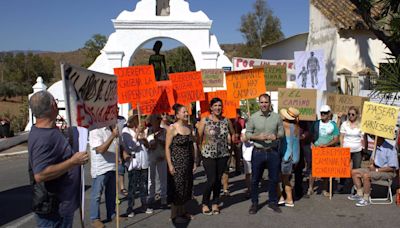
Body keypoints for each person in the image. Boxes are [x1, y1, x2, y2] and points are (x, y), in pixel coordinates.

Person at [28, 91, 89, 228]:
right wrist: (73, 161)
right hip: (53, 211)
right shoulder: (43, 138)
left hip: (62, 206)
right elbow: (40, 174)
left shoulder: (49, 130)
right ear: (53, 105)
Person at [246, 94, 284, 214]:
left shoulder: (277, 117)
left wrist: (276, 136)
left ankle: (272, 202)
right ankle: (254, 203)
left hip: (273, 152)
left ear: (270, 103)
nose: (264, 105)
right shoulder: (253, 117)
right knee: (255, 180)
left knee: (273, 179)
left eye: (266, 102)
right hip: (258, 152)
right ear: (259, 103)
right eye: (262, 102)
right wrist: (257, 136)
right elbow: (247, 134)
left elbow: (282, 132)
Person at [197, 97, 235, 215]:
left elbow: (233, 134)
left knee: (218, 180)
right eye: (215, 106)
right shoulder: (205, 121)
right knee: (211, 179)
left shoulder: (226, 120)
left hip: (223, 154)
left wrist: (231, 149)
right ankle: (205, 202)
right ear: (211, 107)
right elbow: (198, 138)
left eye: (220, 105)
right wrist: (200, 153)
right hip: (208, 155)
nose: (218, 108)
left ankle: (215, 203)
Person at [165, 103, 198, 223]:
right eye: (184, 112)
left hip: (188, 162)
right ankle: (174, 214)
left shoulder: (189, 127)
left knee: (186, 187)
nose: (186, 114)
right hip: (176, 162)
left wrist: (194, 161)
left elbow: (192, 145)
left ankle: (183, 211)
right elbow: (167, 147)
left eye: (186, 111)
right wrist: (170, 164)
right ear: (177, 114)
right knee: (177, 188)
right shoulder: (172, 128)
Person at [348, 136, 399, 206]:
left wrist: (377, 170)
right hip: (375, 168)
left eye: (375, 138)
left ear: (380, 138)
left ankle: (366, 199)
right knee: (354, 172)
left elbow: (392, 167)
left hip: (387, 172)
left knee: (366, 176)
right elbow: (372, 162)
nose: (373, 139)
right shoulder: (376, 147)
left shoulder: (390, 149)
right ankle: (359, 194)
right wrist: (371, 163)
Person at [89, 123, 119, 227]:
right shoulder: (95, 129)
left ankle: (112, 214)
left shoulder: (112, 128)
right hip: (101, 167)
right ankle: (94, 218)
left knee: (111, 193)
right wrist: (112, 136)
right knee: (97, 195)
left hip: (112, 166)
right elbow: (100, 149)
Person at [122, 114, 152, 217]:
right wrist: (137, 134)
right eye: (137, 119)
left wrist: (144, 139)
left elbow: (148, 146)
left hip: (143, 161)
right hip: (134, 163)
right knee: (133, 187)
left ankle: (144, 204)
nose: (140, 121)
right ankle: (130, 208)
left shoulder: (143, 130)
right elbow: (131, 146)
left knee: (144, 185)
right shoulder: (126, 131)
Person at [308, 105, 339, 197]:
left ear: (329, 113)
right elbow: (310, 134)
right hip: (316, 149)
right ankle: (310, 187)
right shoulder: (316, 123)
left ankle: (325, 189)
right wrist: (311, 143)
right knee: (313, 169)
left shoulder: (333, 124)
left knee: (326, 171)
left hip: (327, 150)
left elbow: (336, 139)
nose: (323, 114)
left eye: (325, 113)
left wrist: (326, 145)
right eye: (322, 113)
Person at [278, 107, 300, 207]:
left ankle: (288, 198)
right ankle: (285, 197)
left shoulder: (285, 125)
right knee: (285, 178)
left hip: (287, 156)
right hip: (294, 157)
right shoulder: (296, 126)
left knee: (283, 179)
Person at [338, 106, 364, 192]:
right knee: (344, 168)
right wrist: (341, 147)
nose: (351, 116)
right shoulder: (345, 124)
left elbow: (363, 138)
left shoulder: (360, 125)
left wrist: (365, 147)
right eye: (349, 114)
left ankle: (357, 187)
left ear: (357, 115)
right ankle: (341, 185)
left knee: (356, 169)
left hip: (357, 150)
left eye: (353, 114)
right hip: (346, 150)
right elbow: (341, 137)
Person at [146, 114, 168, 208]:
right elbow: (149, 145)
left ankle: (163, 197)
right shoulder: (149, 131)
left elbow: (167, 144)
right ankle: (151, 196)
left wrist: (159, 140)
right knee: (151, 178)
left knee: (163, 178)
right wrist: (152, 141)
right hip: (152, 156)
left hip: (162, 157)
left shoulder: (164, 131)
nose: (158, 121)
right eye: (156, 119)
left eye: (159, 119)